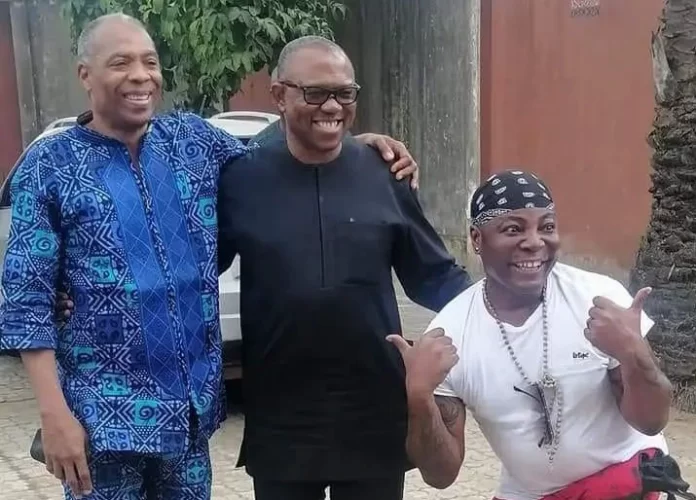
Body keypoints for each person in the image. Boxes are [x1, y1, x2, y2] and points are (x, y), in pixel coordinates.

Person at [0, 14, 419, 500]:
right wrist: (54, 416)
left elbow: (282, 153)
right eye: (121, 63)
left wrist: (352, 145)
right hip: (101, 424)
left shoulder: (192, 142)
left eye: (150, 62)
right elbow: (25, 299)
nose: (140, 75)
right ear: (85, 75)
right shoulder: (50, 165)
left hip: (189, 419)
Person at [216, 35, 473, 500]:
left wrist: (506, 310)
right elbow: (196, 270)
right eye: (316, 93)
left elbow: (434, 276)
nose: (332, 106)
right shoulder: (240, 180)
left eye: (345, 93)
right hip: (282, 420)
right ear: (279, 95)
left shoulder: (386, 174)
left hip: (374, 413)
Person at [389, 170, 683, 500]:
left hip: (628, 485)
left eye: (547, 227)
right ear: (476, 238)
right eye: (514, 229)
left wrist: (633, 353)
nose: (534, 242)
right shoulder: (451, 333)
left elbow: (651, 422)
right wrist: (419, 395)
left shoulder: (598, 299)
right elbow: (440, 476)